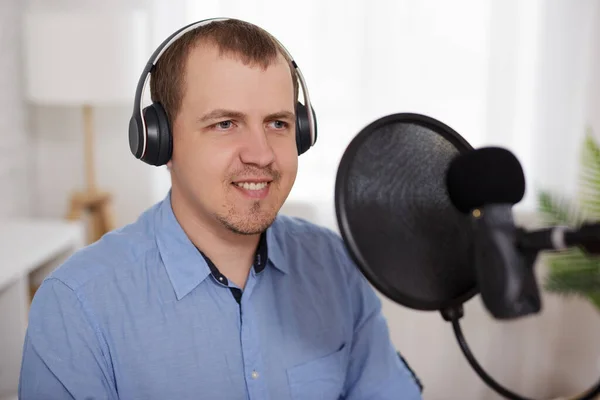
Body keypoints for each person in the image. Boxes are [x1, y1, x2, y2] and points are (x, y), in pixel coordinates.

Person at [18, 18, 423, 399]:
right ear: (158, 141)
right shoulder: (76, 305)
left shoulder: (335, 265)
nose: (262, 155)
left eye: (278, 123)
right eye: (225, 124)